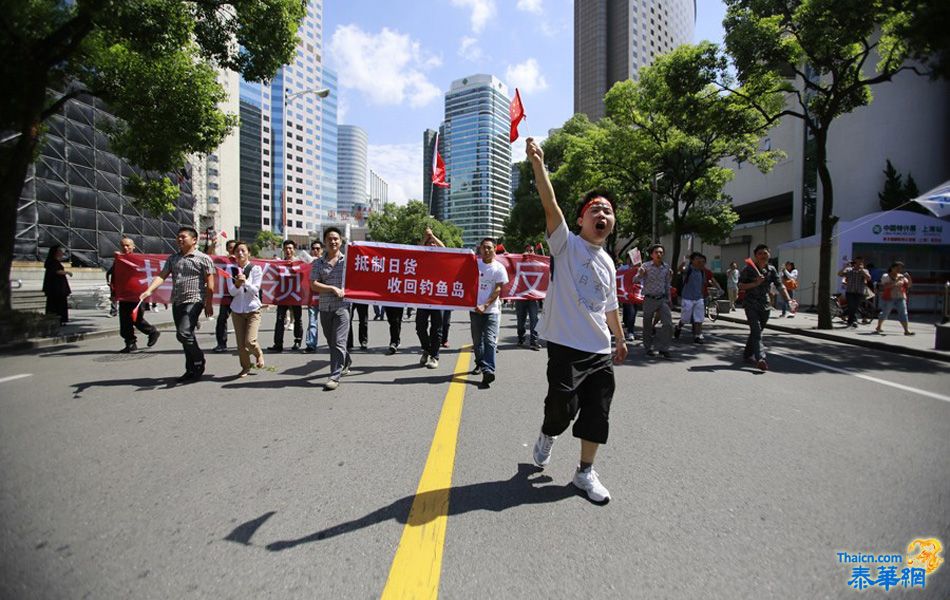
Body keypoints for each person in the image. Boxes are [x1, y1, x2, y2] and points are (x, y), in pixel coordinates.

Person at [526, 137, 627, 504]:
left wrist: (619, 338)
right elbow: (549, 203)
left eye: (608, 212)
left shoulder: (610, 262)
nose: (602, 216)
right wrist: (539, 165)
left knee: (598, 413)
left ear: (612, 223)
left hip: (599, 348)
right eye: (595, 210)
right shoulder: (565, 244)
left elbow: (610, 305)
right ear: (582, 218)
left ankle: (584, 473)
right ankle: (547, 434)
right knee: (561, 409)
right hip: (566, 346)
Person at [139, 227, 214, 382]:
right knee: (186, 336)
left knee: (183, 333)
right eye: (178, 237)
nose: (179, 240)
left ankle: (199, 359)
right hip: (177, 301)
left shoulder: (203, 258)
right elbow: (162, 275)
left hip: (194, 300)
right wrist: (149, 290)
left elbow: (210, 284)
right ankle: (191, 368)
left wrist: (208, 303)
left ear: (194, 240)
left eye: (183, 237)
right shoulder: (173, 258)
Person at [739, 244, 791, 371]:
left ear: (769, 254)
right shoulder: (748, 269)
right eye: (760, 254)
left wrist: (789, 300)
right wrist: (755, 283)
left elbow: (780, 286)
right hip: (750, 304)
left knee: (757, 331)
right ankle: (760, 358)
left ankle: (747, 354)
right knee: (756, 331)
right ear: (756, 256)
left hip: (765, 305)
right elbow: (740, 286)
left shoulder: (771, 269)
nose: (763, 256)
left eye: (765, 253)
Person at [310, 227, 351, 391]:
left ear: (341, 241)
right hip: (325, 308)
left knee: (339, 342)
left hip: (342, 308)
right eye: (329, 239)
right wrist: (332, 288)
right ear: (325, 242)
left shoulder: (349, 261)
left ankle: (334, 376)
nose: (333, 242)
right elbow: (313, 284)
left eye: (336, 239)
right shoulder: (318, 263)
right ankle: (346, 361)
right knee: (331, 341)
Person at [470, 237, 509, 386]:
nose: (486, 250)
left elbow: (498, 289)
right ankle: (480, 363)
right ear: (479, 249)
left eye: (489, 248)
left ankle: (488, 370)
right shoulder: (473, 265)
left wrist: (485, 306)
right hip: (474, 310)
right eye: (484, 247)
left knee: (490, 341)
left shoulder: (499, 268)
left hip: (491, 311)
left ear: (494, 250)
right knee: (477, 341)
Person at [114, 237, 160, 352]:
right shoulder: (119, 260)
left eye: (128, 245)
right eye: (123, 245)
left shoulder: (138, 260)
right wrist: (113, 293)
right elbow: (114, 276)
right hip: (124, 295)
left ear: (133, 247)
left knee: (136, 319)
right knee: (124, 321)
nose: (125, 248)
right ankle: (130, 343)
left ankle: (152, 331)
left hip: (138, 295)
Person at [226, 241, 265, 376]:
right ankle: (245, 367)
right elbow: (231, 292)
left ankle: (258, 353)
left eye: (243, 250)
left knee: (249, 341)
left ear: (249, 253)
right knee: (241, 344)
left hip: (253, 309)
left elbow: (255, 289)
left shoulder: (255, 269)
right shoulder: (230, 269)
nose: (240, 253)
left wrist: (245, 282)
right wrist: (237, 285)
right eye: (237, 251)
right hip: (237, 310)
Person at [633, 244, 673, 358]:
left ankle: (664, 348)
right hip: (649, 299)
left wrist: (669, 299)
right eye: (656, 252)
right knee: (647, 325)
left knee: (668, 324)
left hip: (662, 299)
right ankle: (648, 347)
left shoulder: (666, 267)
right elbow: (634, 280)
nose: (659, 254)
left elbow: (667, 284)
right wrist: (640, 274)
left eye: (661, 252)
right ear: (652, 255)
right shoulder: (645, 266)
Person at [673, 252, 721, 344]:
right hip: (687, 298)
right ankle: (678, 327)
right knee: (685, 319)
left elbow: (708, 282)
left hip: (699, 298)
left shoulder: (702, 272)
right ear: (692, 261)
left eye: (702, 260)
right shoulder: (689, 269)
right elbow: (680, 270)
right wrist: (682, 264)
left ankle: (697, 336)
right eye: (697, 259)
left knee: (699, 318)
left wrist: (718, 289)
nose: (700, 261)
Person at [417, 227, 446, 368]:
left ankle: (434, 356)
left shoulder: (442, 256)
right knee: (420, 327)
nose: (432, 244)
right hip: (423, 297)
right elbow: (415, 250)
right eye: (429, 243)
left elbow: (444, 248)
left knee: (437, 329)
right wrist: (425, 237)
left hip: (439, 298)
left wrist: (432, 235)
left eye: (434, 243)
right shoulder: (421, 257)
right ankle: (426, 349)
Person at [270, 240, 303, 352]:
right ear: (283, 250)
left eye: (290, 248)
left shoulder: (300, 262)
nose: (288, 250)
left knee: (297, 319)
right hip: (282, 295)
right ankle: (278, 344)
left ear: (294, 249)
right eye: (286, 248)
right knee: (280, 319)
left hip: (295, 295)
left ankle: (297, 341)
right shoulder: (279, 264)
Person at [874, 262, 915, 336]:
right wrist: (896, 281)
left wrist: (909, 278)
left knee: (904, 313)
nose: (899, 270)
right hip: (889, 297)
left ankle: (906, 330)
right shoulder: (886, 276)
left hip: (900, 297)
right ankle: (879, 326)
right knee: (885, 313)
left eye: (900, 268)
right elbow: (885, 287)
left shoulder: (901, 276)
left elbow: (909, 285)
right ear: (892, 268)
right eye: (897, 268)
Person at [514, 244, 542, 350]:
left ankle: (534, 341)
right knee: (521, 321)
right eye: (527, 250)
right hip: (521, 297)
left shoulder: (538, 264)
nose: (530, 252)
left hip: (533, 298)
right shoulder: (518, 263)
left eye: (531, 250)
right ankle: (521, 338)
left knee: (534, 320)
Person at [213, 239, 238, 352]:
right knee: (222, 319)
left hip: (240, 295)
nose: (232, 249)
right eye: (230, 247)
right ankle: (221, 344)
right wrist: (213, 245)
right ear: (227, 249)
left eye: (234, 247)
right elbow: (210, 258)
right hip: (227, 295)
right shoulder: (223, 261)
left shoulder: (242, 261)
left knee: (244, 320)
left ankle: (246, 343)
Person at [837, 256, 871, 328]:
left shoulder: (865, 271)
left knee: (855, 307)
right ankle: (853, 321)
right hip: (850, 291)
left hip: (859, 292)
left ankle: (847, 317)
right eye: (857, 262)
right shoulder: (849, 270)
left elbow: (868, 278)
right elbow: (839, 274)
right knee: (851, 306)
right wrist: (845, 267)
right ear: (854, 262)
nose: (858, 264)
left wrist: (861, 270)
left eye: (860, 262)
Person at [43, 245, 72, 325]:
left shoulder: (55, 262)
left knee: (60, 304)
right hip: (55, 288)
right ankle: (57, 319)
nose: (62, 253)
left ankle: (61, 319)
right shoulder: (52, 262)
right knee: (56, 304)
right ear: (55, 253)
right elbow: (56, 271)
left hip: (58, 288)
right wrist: (67, 272)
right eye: (59, 251)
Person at [303, 241, 323, 353]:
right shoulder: (306, 262)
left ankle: (334, 345)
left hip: (326, 297)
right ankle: (311, 344)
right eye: (313, 248)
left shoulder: (326, 261)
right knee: (312, 322)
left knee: (328, 323)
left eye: (318, 248)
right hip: (312, 298)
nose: (315, 250)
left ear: (322, 250)